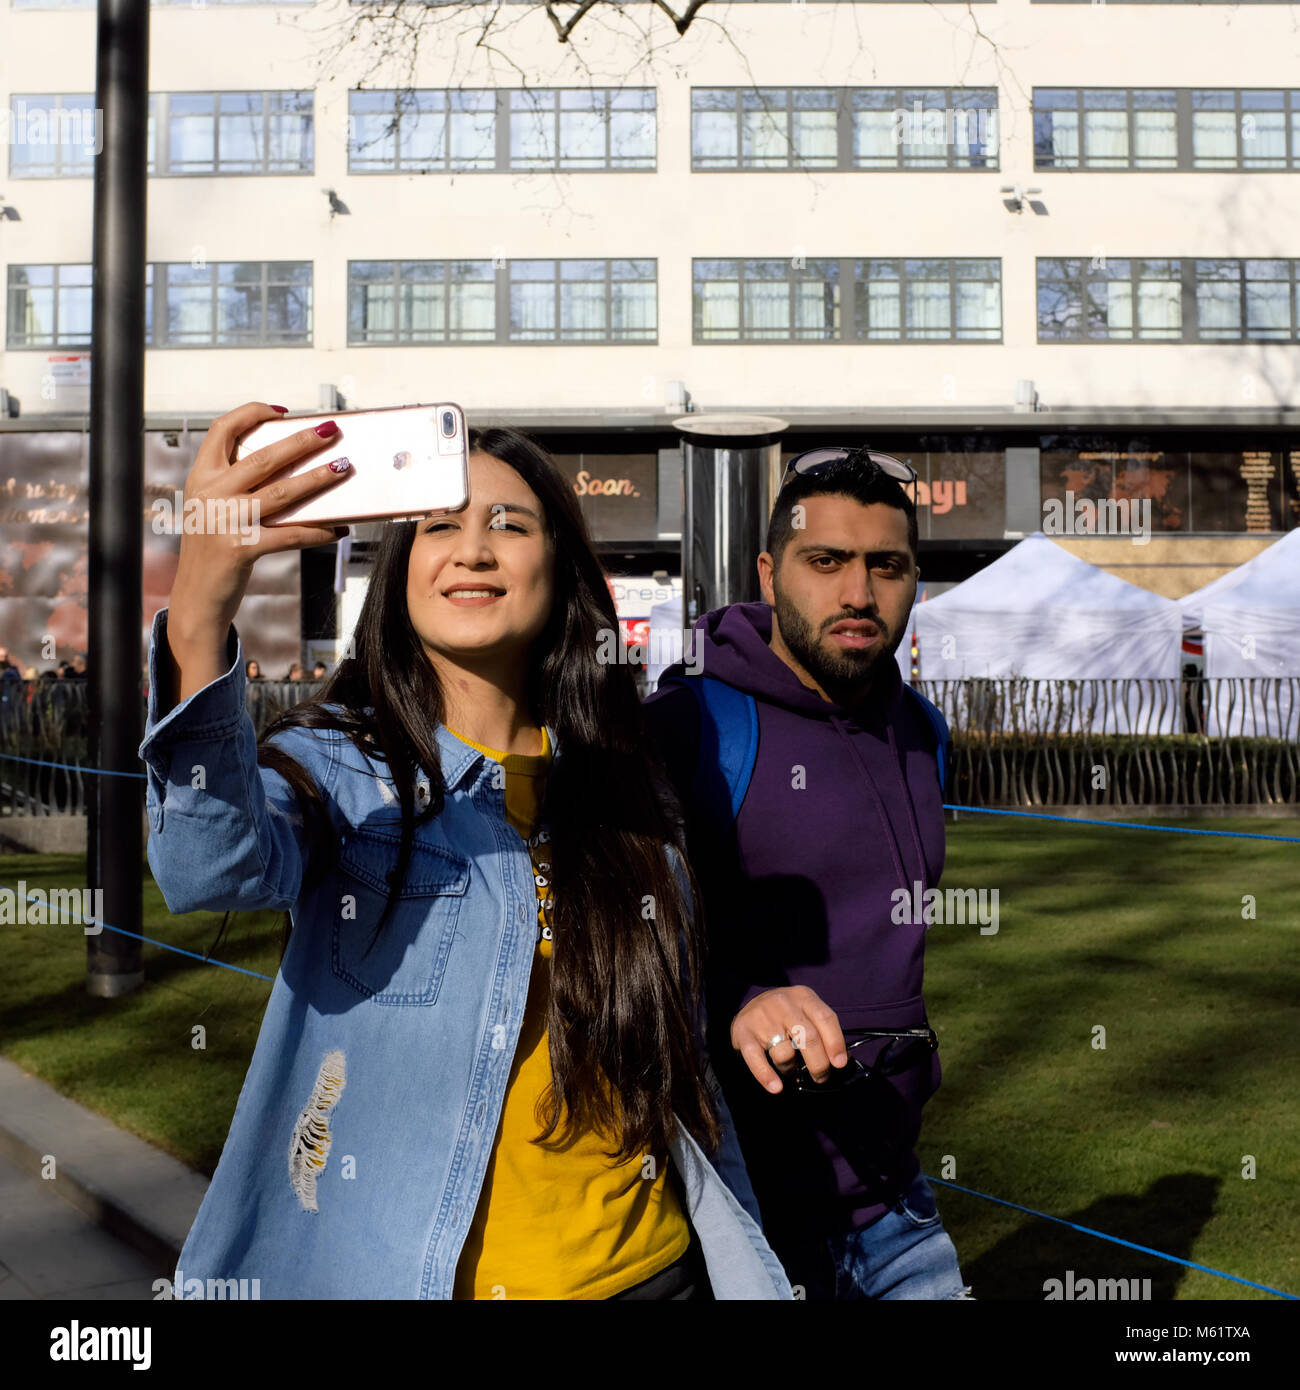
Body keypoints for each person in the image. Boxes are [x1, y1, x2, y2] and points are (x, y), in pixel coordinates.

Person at [137, 401, 789, 1301]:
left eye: (509, 525)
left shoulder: (626, 793)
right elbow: (205, 867)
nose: (473, 549)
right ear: (402, 574)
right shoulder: (338, 770)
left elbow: (680, 1073)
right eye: (440, 525)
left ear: (559, 573)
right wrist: (199, 611)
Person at [643, 445, 971, 1301]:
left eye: (886, 566)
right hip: (739, 1218)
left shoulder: (922, 732)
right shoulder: (686, 730)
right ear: (768, 571)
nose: (858, 594)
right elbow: (606, 950)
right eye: (825, 562)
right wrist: (739, 996)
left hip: (897, 1206)